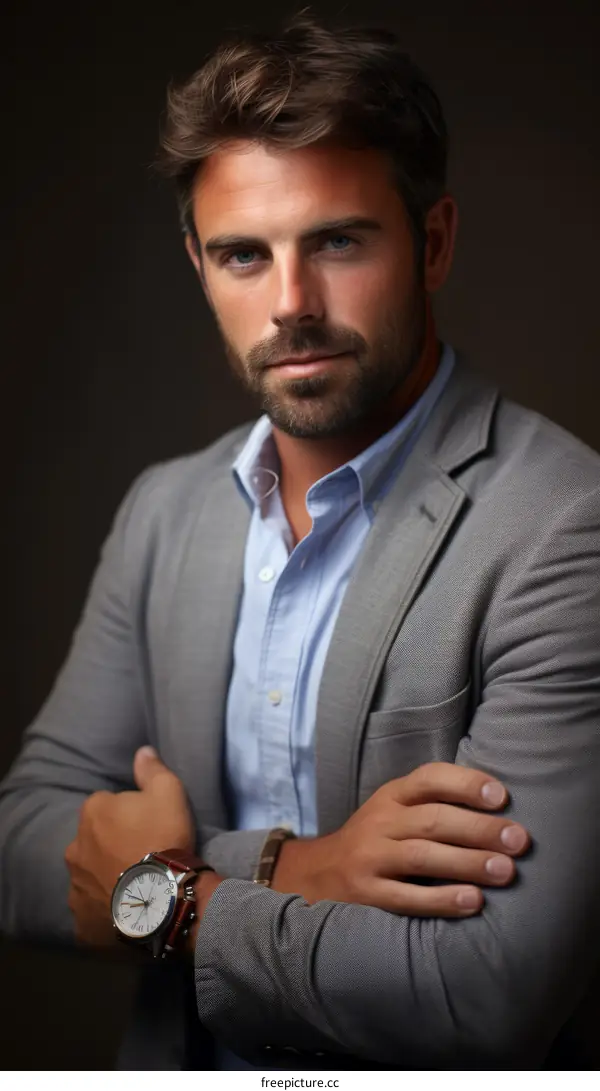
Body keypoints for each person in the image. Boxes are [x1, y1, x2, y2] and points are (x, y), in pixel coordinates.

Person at [1, 12, 599, 1072]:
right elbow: (20, 844)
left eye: (337, 241)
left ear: (434, 242)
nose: (291, 305)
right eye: (244, 254)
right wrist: (298, 863)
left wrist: (174, 896)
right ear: (199, 264)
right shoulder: (164, 511)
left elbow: (485, 987)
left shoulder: (565, 525)